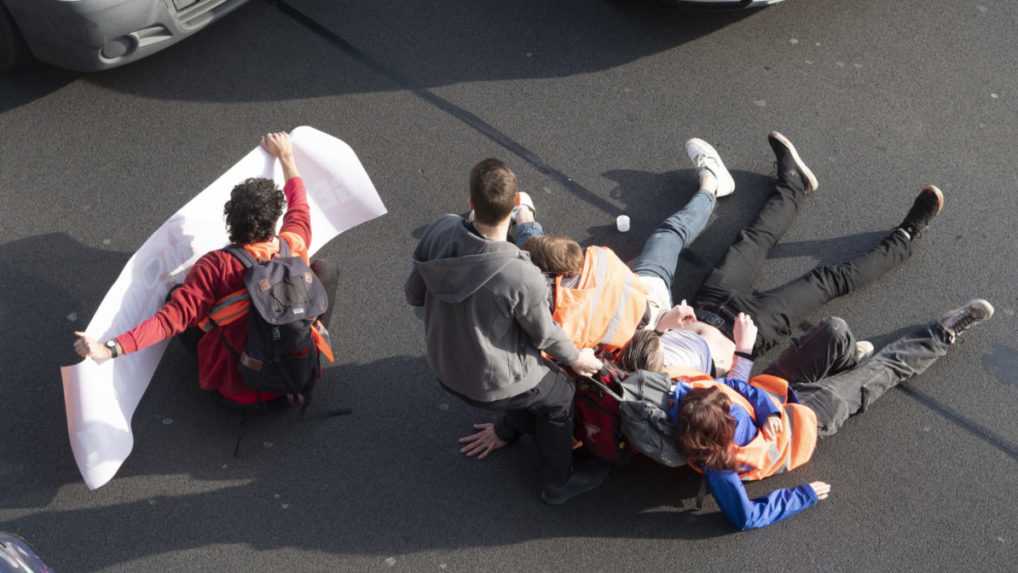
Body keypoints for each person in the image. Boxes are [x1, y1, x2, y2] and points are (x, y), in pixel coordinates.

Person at [672, 299, 993, 530]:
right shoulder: (721, 466)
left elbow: (735, 388)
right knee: (878, 372)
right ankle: (941, 335)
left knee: (834, 331)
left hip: (774, 392)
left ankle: (845, 364)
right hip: (800, 424)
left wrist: (764, 404)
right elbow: (745, 518)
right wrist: (803, 495)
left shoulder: (686, 397)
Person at [73, 132, 338, 408]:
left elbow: (168, 321)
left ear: (230, 221)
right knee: (325, 269)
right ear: (274, 222)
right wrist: (286, 156)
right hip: (299, 374)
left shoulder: (215, 267)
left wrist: (109, 348)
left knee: (176, 297)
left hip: (244, 390)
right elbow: (300, 208)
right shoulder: (292, 245)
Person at [405, 158, 606, 505]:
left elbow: (413, 294)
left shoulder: (439, 230)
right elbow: (545, 336)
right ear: (515, 206)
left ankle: (507, 429)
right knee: (559, 394)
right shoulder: (519, 274)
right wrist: (578, 358)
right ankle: (558, 482)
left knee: (533, 386)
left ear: (471, 201)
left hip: (443, 364)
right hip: (491, 385)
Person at [520, 137, 740, 375]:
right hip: (648, 310)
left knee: (669, 237)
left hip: (647, 320)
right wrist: (660, 328)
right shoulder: (593, 261)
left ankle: (522, 217)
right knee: (670, 234)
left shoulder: (548, 327)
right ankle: (711, 184)